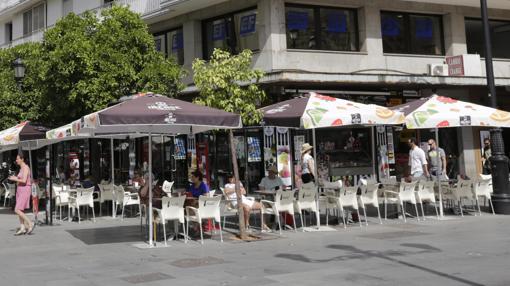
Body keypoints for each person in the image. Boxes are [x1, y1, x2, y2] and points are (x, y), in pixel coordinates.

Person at [8, 153, 34, 236]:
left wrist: (15, 179)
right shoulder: (21, 168)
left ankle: (30, 223)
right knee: (20, 209)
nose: (16, 160)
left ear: (22, 159)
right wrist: (14, 178)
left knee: (17, 209)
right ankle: (22, 228)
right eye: (16, 159)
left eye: (17, 159)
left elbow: (24, 180)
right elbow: (20, 179)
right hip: (20, 190)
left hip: (25, 189)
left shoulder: (26, 168)